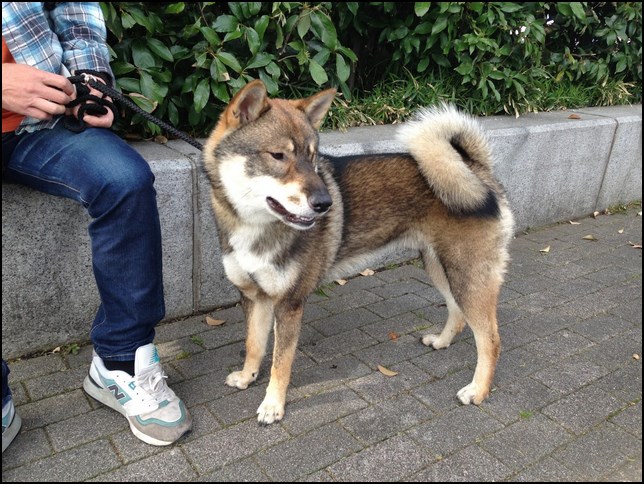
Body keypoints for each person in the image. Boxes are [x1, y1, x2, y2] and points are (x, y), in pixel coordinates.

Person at [2, 2, 192, 451]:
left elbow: (74, 11)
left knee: (124, 180)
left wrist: (92, 80)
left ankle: (120, 362)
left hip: (41, 122)